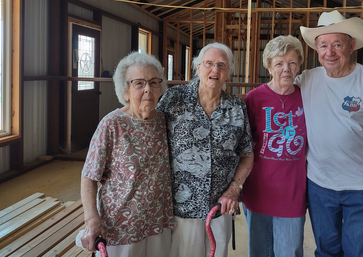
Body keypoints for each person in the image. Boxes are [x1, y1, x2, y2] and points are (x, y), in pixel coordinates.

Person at [297, 10, 363, 257]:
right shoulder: (306, 80)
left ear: (351, 45)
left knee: (357, 252)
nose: (330, 52)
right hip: (320, 185)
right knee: (326, 251)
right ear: (316, 49)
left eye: (337, 44)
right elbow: (275, 92)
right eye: (323, 45)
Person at [157, 42, 254, 257]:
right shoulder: (174, 99)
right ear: (197, 67)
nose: (215, 70)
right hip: (181, 207)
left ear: (229, 72)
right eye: (209, 64)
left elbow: (247, 155)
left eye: (221, 65)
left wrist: (234, 189)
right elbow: (152, 140)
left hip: (221, 206)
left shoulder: (236, 107)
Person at [80, 52, 174, 257]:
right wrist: (92, 220)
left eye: (153, 82)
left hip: (159, 223)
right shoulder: (111, 124)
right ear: (125, 90)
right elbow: (89, 176)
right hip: (121, 227)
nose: (148, 89)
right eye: (139, 83)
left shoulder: (163, 121)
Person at [242, 35, 307, 257]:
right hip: (258, 191)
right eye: (279, 63)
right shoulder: (253, 99)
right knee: (259, 252)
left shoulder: (307, 97)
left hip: (292, 193)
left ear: (299, 65)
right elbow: (241, 144)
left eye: (291, 62)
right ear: (269, 67)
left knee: (290, 251)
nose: (286, 69)